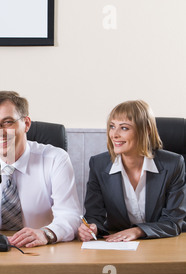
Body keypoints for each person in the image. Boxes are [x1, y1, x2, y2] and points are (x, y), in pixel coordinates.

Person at [0, 91, 82, 247]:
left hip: (41, 250)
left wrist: (46, 234)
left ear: (26, 124)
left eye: (7, 122)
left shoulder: (56, 159)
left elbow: (71, 215)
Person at [79, 100, 186, 242]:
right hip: (117, 243)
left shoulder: (173, 164)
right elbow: (94, 215)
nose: (114, 135)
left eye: (124, 128)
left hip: (162, 243)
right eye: (112, 126)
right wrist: (92, 228)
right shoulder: (98, 165)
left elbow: (174, 221)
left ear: (146, 129)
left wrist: (138, 231)